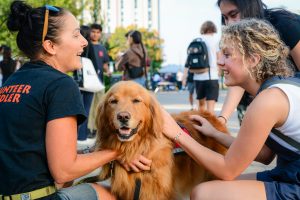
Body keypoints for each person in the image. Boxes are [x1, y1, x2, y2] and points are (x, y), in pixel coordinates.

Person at [0, 1, 151, 199]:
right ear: (50, 46)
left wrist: (97, 151)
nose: (85, 41)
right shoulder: (61, 85)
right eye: (75, 34)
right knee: (119, 193)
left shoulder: (13, 80)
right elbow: (64, 172)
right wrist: (118, 152)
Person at [162, 18, 300, 200]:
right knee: (216, 185)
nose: (219, 61)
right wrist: (214, 133)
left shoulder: (268, 101)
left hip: (294, 183)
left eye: (227, 55)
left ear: (253, 59)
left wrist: (177, 134)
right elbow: (264, 155)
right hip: (290, 174)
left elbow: (228, 169)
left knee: (204, 194)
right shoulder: (279, 88)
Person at [216, 0, 300, 125]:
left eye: (233, 15)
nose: (228, 23)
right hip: (257, 101)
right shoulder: (238, 37)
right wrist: (222, 119)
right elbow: (239, 74)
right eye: (225, 18)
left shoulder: (284, 25)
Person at [184, 21, 220, 114]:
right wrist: (220, 72)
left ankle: (200, 126)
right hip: (212, 76)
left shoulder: (196, 40)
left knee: (201, 106)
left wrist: (184, 76)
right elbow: (219, 58)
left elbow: (188, 60)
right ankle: (210, 126)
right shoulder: (215, 41)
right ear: (213, 29)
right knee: (210, 108)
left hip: (198, 77)